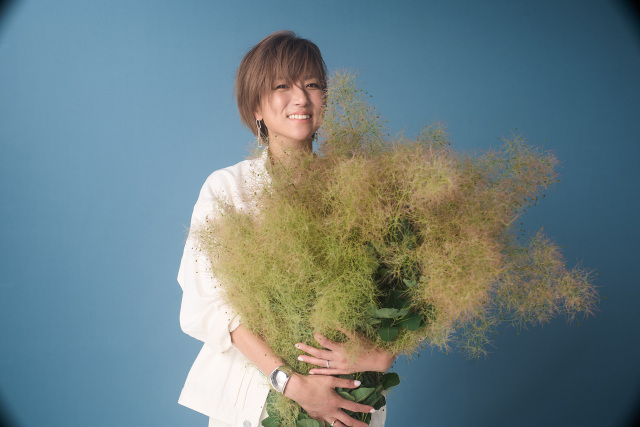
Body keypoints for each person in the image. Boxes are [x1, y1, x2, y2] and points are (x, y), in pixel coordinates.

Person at [178, 31, 395, 427]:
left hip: (347, 400)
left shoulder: (361, 188)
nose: (301, 98)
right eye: (282, 86)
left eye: (312, 85)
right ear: (256, 107)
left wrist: (384, 354)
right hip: (258, 400)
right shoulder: (228, 190)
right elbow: (208, 305)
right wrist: (291, 384)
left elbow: (405, 285)